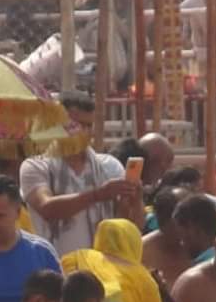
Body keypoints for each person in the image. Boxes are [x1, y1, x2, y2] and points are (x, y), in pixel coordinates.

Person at [21, 97, 142, 258]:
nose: (83, 131)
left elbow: (127, 226)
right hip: (56, 267)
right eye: (76, 125)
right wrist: (98, 194)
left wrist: (135, 198)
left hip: (103, 269)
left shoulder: (109, 166)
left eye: (88, 125)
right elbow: (47, 208)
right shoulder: (35, 166)